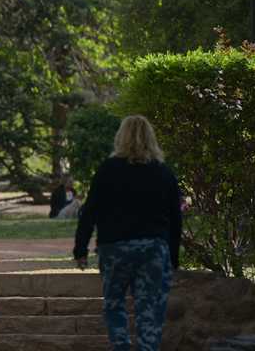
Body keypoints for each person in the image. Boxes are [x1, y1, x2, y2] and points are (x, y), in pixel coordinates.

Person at [73, 115, 183, 351]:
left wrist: (80, 249)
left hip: (114, 248)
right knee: (150, 307)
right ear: (151, 138)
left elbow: (90, 211)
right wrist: (173, 258)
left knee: (114, 304)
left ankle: (121, 345)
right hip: (153, 249)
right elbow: (176, 219)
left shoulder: (107, 170)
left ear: (120, 137)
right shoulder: (163, 173)